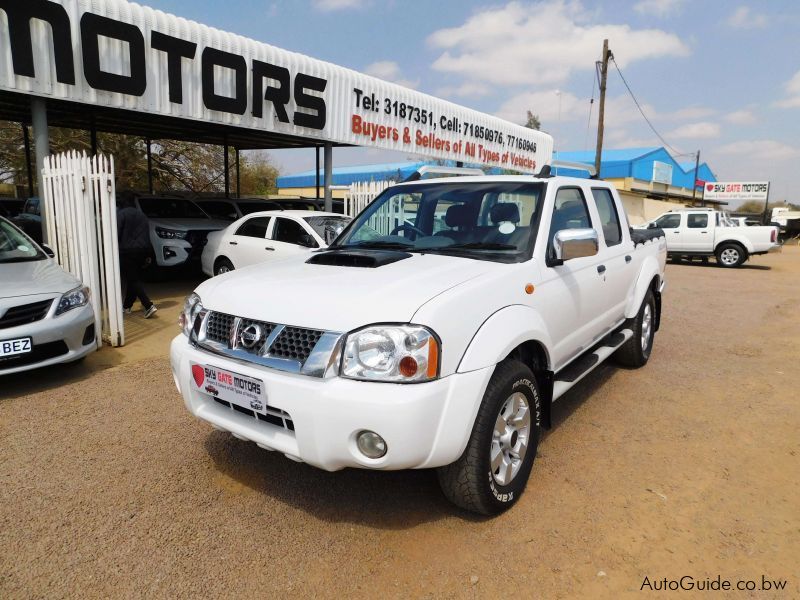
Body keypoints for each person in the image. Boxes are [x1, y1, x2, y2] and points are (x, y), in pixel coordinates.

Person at [116, 192, 157, 318]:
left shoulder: (121, 214)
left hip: (127, 251)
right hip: (142, 251)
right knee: (133, 279)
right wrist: (149, 253)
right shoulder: (142, 215)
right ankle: (127, 306)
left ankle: (148, 305)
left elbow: (116, 233)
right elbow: (147, 235)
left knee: (133, 279)